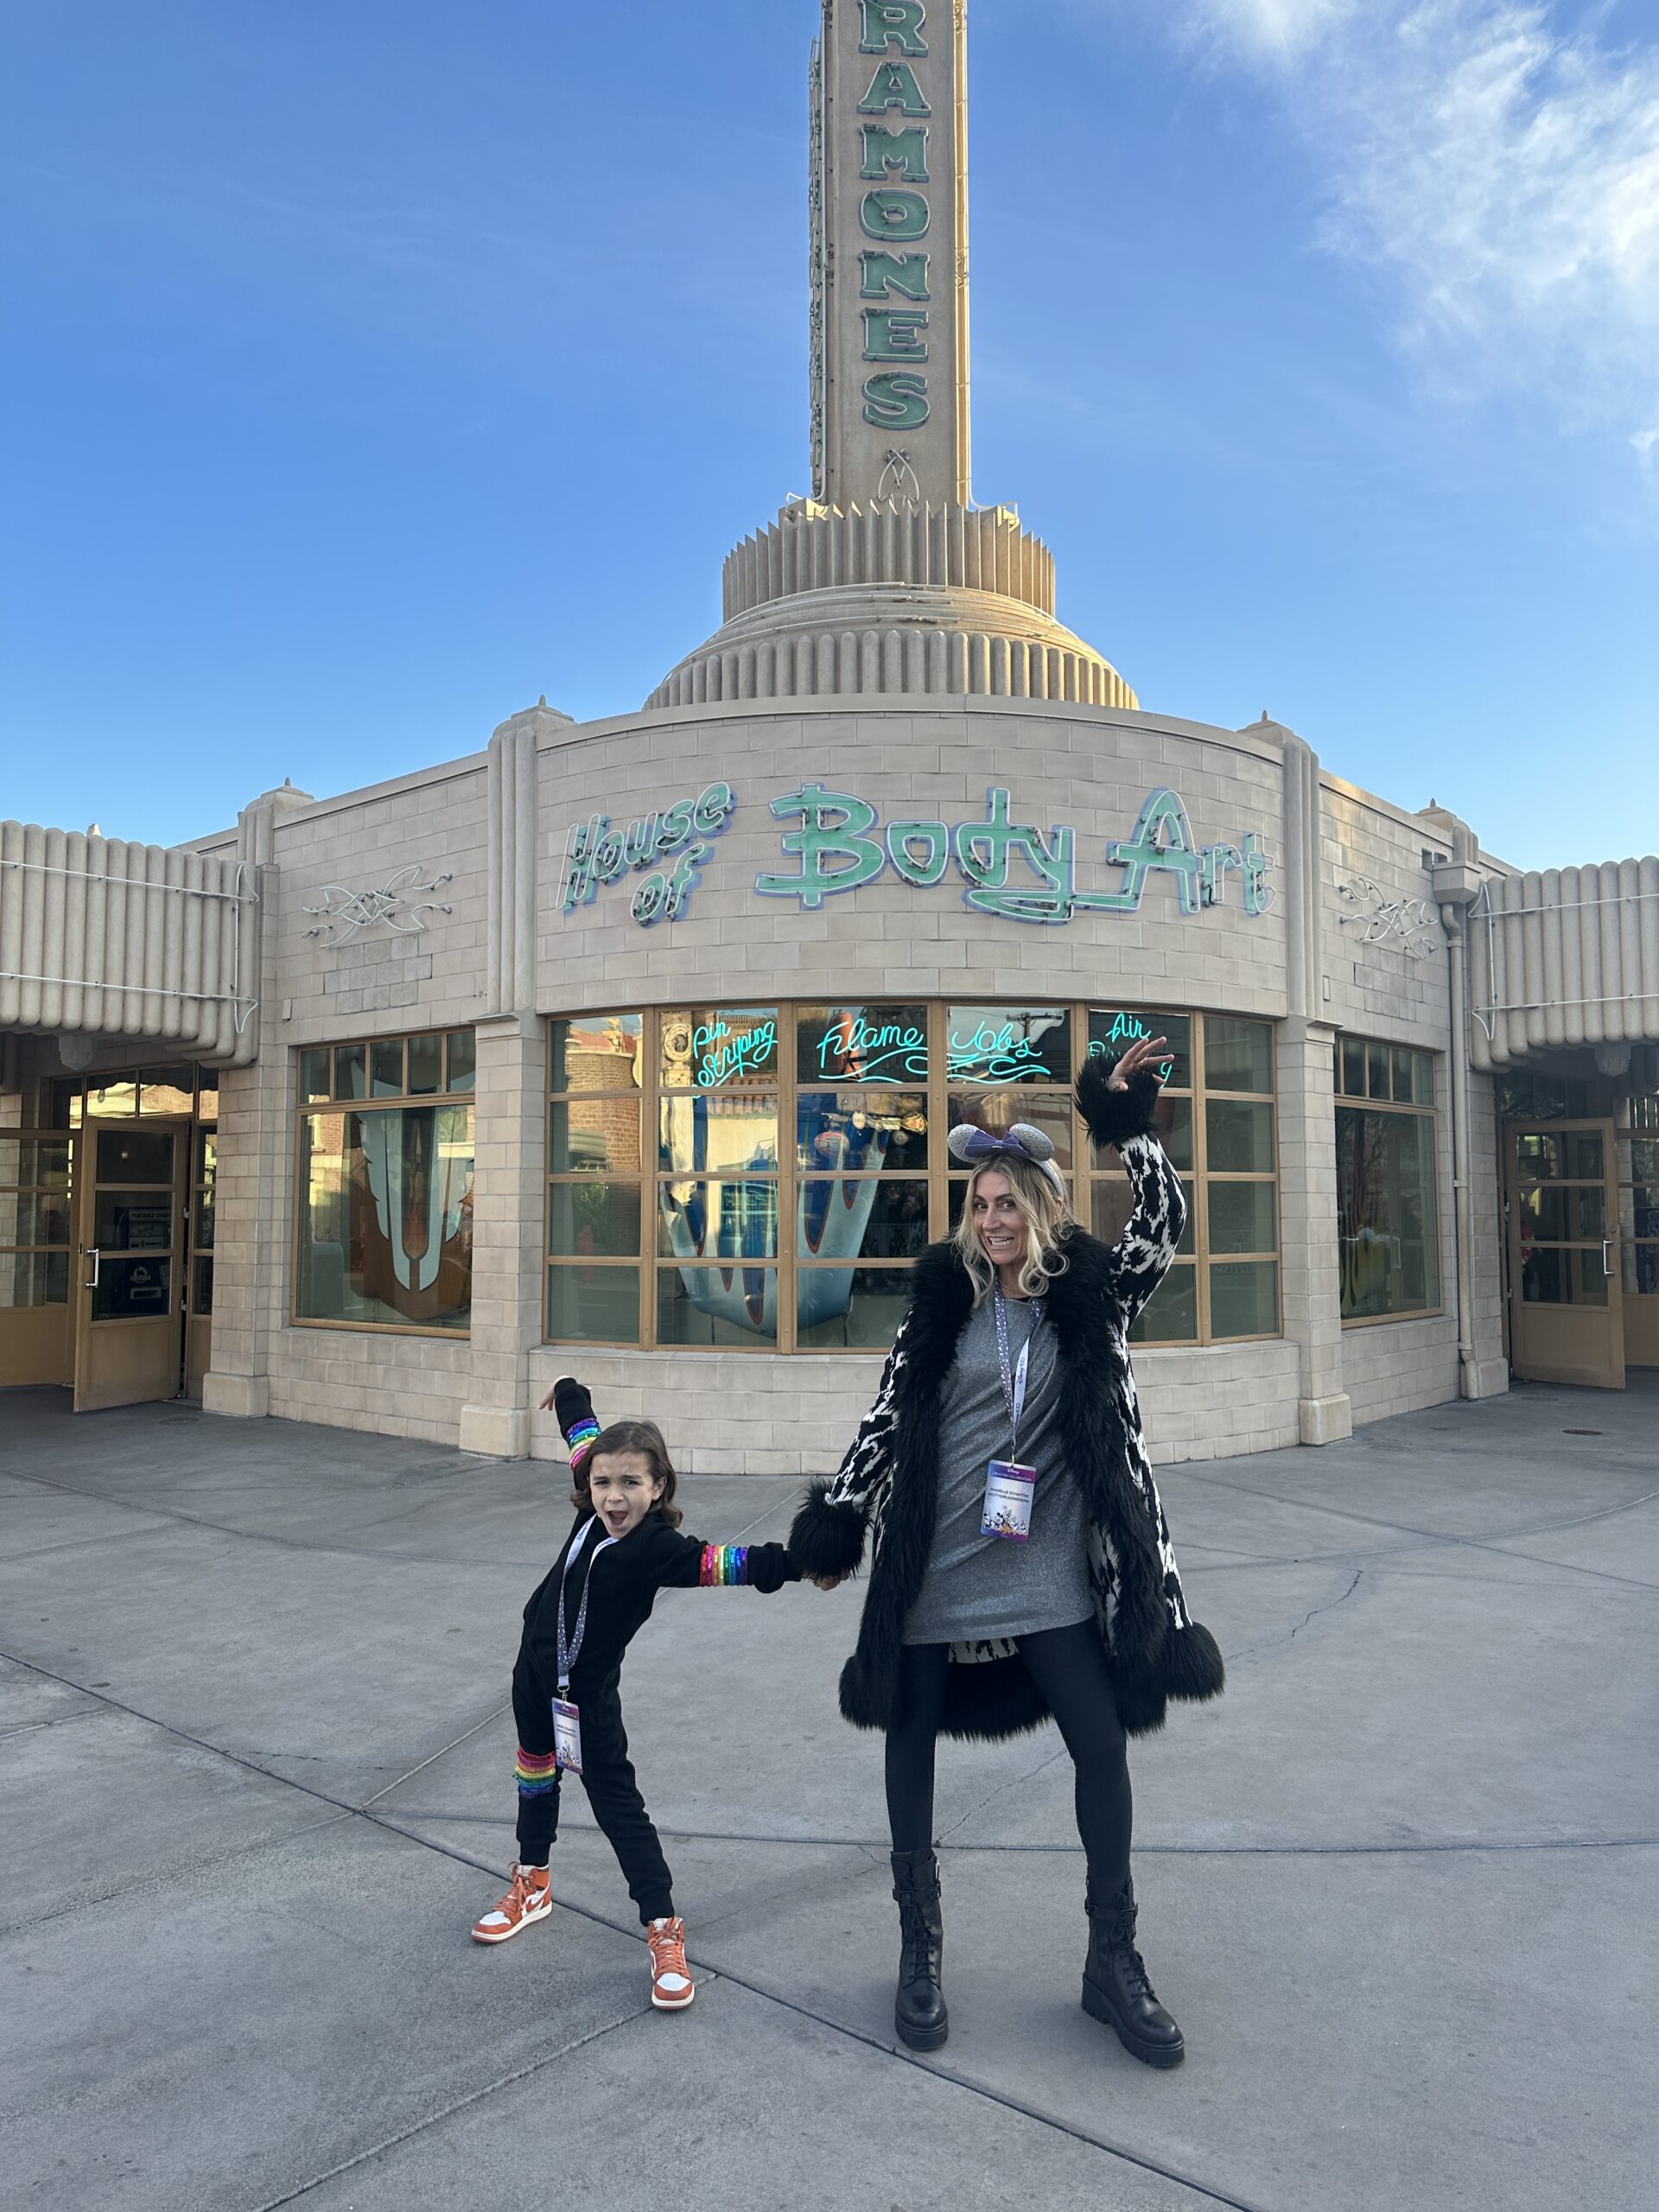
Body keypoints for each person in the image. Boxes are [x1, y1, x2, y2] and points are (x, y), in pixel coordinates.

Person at [790, 1039, 1224, 2068]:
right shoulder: (944, 1298)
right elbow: (888, 1416)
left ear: (1042, 1204)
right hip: (938, 1560)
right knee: (910, 1741)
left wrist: (1123, 1125)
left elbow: (1167, 1224)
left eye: (1009, 1203)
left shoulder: (1094, 1294)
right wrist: (841, 1520)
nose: (993, 1221)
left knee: (1102, 1745)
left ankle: (1111, 1960)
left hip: (1048, 1567)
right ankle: (920, 1946)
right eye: (979, 1204)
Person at [471, 1378, 803, 2012]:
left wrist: (805, 1562)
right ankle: (532, 1883)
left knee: (619, 1808)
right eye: (602, 1484)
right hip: (533, 1678)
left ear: (658, 1488)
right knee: (534, 1777)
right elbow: (582, 1434)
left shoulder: (657, 1549)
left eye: (630, 1484)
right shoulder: (588, 1507)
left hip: (587, 1700)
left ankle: (662, 1927)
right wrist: (568, 1392)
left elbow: (733, 1564)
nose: (614, 1496)